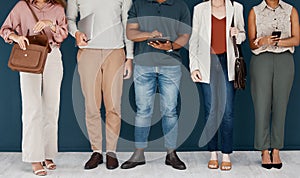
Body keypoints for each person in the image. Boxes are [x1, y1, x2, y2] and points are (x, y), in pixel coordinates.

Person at [120, 0, 191, 170]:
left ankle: (171, 154)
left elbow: (185, 35)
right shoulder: (139, 4)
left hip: (171, 64)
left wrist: (171, 46)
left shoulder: (180, 5)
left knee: (170, 111)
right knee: (143, 110)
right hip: (143, 64)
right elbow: (130, 32)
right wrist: (150, 35)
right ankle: (139, 153)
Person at [0, 0, 67, 176]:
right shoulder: (22, 6)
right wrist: (16, 37)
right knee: (32, 109)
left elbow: (63, 35)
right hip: (29, 54)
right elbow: (5, 29)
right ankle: (35, 158)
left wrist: (50, 25)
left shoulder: (58, 8)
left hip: (52, 55)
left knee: (51, 109)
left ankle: (47, 154)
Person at [67, 0, 134, 170]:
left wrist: (130, 57)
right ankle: (96, 151)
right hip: (88, 52)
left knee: (113, 106)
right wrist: (75, 33)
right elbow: (69, 19)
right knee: (91, 106)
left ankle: (111, 151)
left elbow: (128, 22)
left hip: (115, 51)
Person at [189, 0, 245, 171]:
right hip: (207, 62)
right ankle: (213, 153)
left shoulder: (236, 7)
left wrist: (238, 33)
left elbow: (243, 36)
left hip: (227, 63)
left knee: (227, 112)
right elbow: (194, 38)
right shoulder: (200, 9)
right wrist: (194, 67)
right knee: (211, 111)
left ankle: (226, 153)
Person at [248, 0, 299, 169]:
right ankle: (263, 150)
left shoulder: (291, 10)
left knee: (280, 106)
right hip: (261, 60)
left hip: (285, 59)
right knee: (261, 105)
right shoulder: (255, 11)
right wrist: (263, 41)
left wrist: (277, 42)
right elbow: (251, 43)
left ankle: (276, 149)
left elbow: (296, 39)